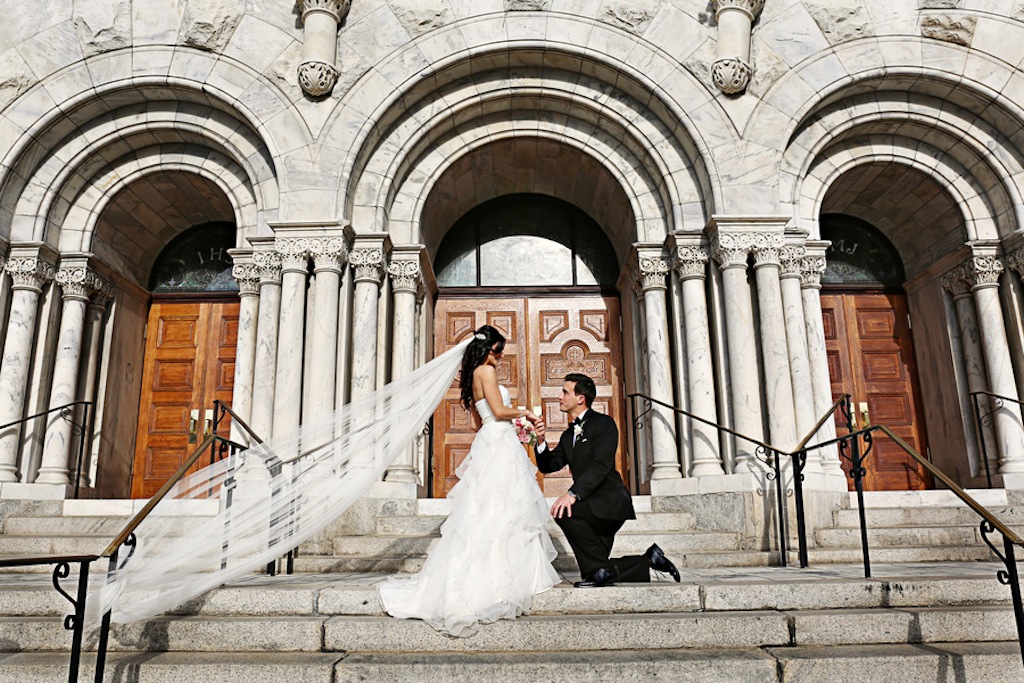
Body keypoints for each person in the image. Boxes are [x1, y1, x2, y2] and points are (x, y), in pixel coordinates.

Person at [377, 325, 560, 636]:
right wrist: (525, 413)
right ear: (486, 350)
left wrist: (507, 430)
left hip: (492, 438)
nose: (500, 357)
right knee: (503, 506)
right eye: (498, 351)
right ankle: (503, 577)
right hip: (498, 442)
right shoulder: (485, 371)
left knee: (489, 507)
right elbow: (500, 410)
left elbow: (482, 419)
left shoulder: (473, 374)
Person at [534, 373, 681, 587]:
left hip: (608, 502)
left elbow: (600, 466)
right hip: (592, 504)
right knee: (597, 571)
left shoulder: (604, 424)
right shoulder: (568, 435)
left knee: (563, 511)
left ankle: (626, 565)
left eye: (565, 392)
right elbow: (549, 465)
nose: (559, 397)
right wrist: (540, 441)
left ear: (580, 398)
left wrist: (572, 494)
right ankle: (650, 559)